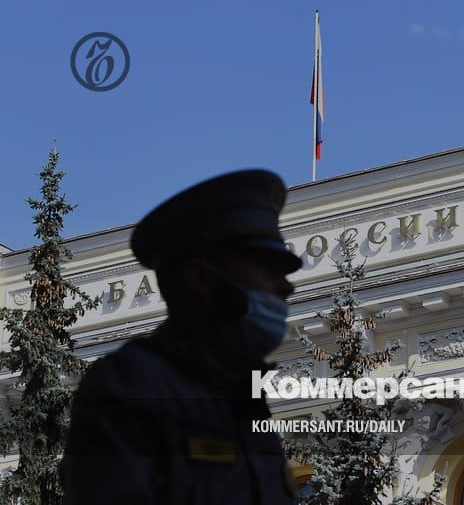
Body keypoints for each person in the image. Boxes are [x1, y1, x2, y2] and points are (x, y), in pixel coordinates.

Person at [61, 170, 302, 504]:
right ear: (202, 278)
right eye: (268, 269)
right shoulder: (131, 386)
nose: (287, 286)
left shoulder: (240, 398)